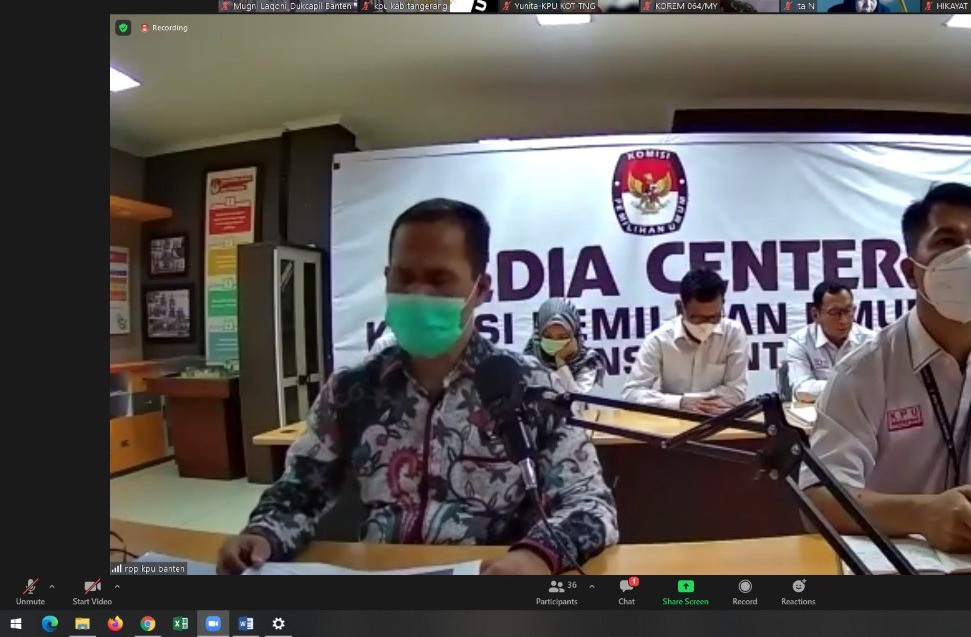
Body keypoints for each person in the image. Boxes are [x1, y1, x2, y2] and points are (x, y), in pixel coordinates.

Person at [217, 199, 618, 575]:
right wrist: (263, 534)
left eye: (439, 280)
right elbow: (300, 491)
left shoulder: (530, 388)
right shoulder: (351, 390)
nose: (417, 294)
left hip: (490, 586)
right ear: (386, 278)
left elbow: (590, 504)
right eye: (404, 277)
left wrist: (538, 556)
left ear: (481, 289)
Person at [801, 183, 971, 554]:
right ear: (910, 272)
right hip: (902, 561)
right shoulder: (862, 371)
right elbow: (818, 499)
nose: (968, 257)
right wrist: (921, 515)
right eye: (947, 241)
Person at [620, 266, 749, 415]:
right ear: (680, 308)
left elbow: (736, 393)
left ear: (722, 305)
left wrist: (689, 402)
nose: (706, 325)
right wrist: (679, 403)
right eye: (698, 318)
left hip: (719, 420)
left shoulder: (733, 333)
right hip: (673, 422)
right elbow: (631, 394)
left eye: (714, 317)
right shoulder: (659, 340)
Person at [785, 280, 876, 403]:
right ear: (815, 315)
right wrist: (851, 386)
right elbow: (801, 390)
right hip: (814, 411)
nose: (843, 320)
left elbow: (881, 386)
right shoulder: (800, 342)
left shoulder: (870, 341)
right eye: (834, 313)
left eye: (848, 311)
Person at [523, 297, 605, 405]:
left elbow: (578, 405)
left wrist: (560, 362)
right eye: (547, 336)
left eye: (562, 337)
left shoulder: (588, 362)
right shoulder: (528, 361)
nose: (554, 341)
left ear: (574, 335)